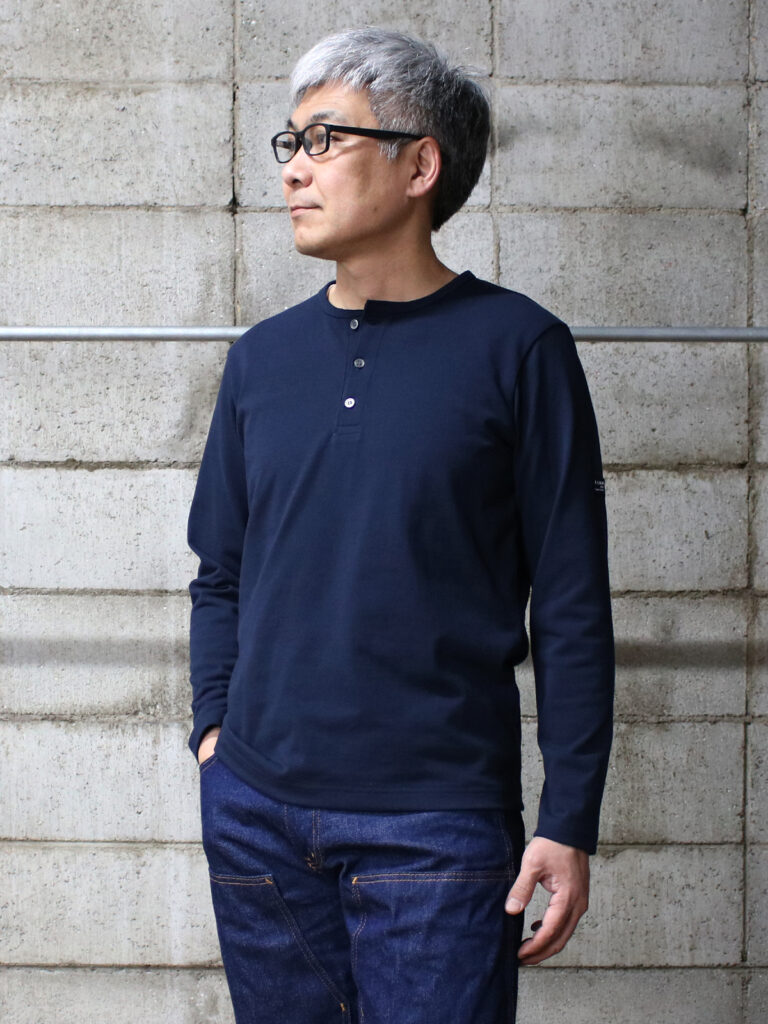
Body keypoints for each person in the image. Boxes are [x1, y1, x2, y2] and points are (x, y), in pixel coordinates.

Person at [187, 27, 614, 1024]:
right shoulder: (260, 360)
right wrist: (214, 738)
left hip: (436, 829)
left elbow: (570, 602)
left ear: (420, 165)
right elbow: (221, 571)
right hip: (256, 817)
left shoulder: (520, 348)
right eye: (290, 142)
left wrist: (568, 817)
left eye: (325, 139)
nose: (295, 169)